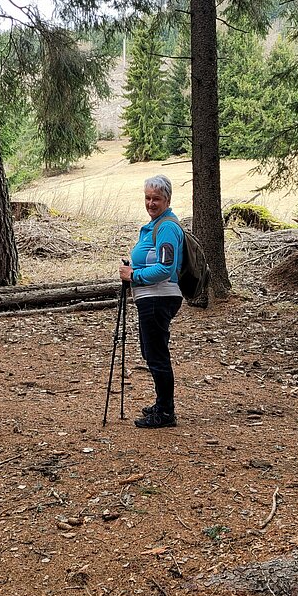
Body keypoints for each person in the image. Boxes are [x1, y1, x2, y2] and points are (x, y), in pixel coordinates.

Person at [119, 175, 183, 428]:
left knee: (156, 355)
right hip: (151, 298)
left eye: (156, 198)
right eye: (147, 197)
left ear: (167, 199)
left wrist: (134, 275)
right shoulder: (156, 225)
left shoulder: (166, 227)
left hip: (159, 297)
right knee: (151, 352)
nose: (151, 203)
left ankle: (166, 413)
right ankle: (162, 404)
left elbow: (166, 268)